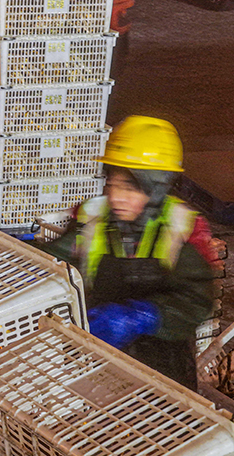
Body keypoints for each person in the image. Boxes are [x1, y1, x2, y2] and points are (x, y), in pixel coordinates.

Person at [41, 115, 217, 389]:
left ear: (157, 188)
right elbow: (56, 260)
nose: (116, 196)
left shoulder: (181, 229)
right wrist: (27, 262)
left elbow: (197, 301)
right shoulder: (92, 217)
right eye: (112, 183)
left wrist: (144, 317)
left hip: (163, 372)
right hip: (96, 361)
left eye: (130, 187)